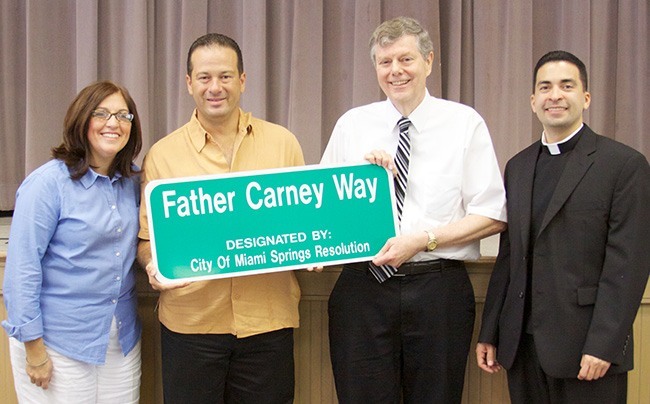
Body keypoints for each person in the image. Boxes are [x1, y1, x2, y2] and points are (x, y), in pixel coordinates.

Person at [320, 16, 507, 403]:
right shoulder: (353, 125)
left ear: (429, 61)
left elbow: (492, 214)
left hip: (437, 289)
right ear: (375, 68)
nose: (395, 71)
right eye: (385, 62)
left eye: (405, 59)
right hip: (362, 288)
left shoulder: (464, 123)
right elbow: (326, 214)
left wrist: (424, 240)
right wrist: (357, 184)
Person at [137, 33, 304, 403]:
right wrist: (152, 265)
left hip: (268, 322)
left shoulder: (283, 143)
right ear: (189, 83)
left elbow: (301, 223)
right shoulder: (162, 155)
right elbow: (148, 242)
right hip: (191, 325)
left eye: (226, 77)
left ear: (242, 80)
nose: (216, 87)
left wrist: (313, 251)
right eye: (205, 77)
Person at [476, 50, 650, 403]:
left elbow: (628, 265)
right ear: (533, 101)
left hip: (589, 351)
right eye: (545, 87)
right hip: (523, 350)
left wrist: (604, 345)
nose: (555, 95)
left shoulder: (624, 165)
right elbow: (510, 257)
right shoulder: (518, 166)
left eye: (566, 86)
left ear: (585, 98)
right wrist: (491, 330)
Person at [2, 81, 143, 403]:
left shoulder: (132, 182)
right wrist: (34, 349)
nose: (113, 123)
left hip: (120, 340)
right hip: (57, 342)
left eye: (124, 115)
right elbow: (22, 270)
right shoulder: (47, 184)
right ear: (81, 120)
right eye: (102, 113)